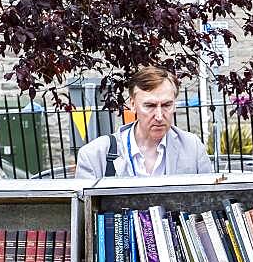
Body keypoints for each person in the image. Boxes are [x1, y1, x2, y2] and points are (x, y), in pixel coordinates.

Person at [76, 67, 214, 180]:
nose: (159, 116)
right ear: (132, 105)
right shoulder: (94, 155)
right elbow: (84, 211)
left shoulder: (192, 148)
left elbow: (210, 202)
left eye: (167, 105)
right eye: (150, 106)